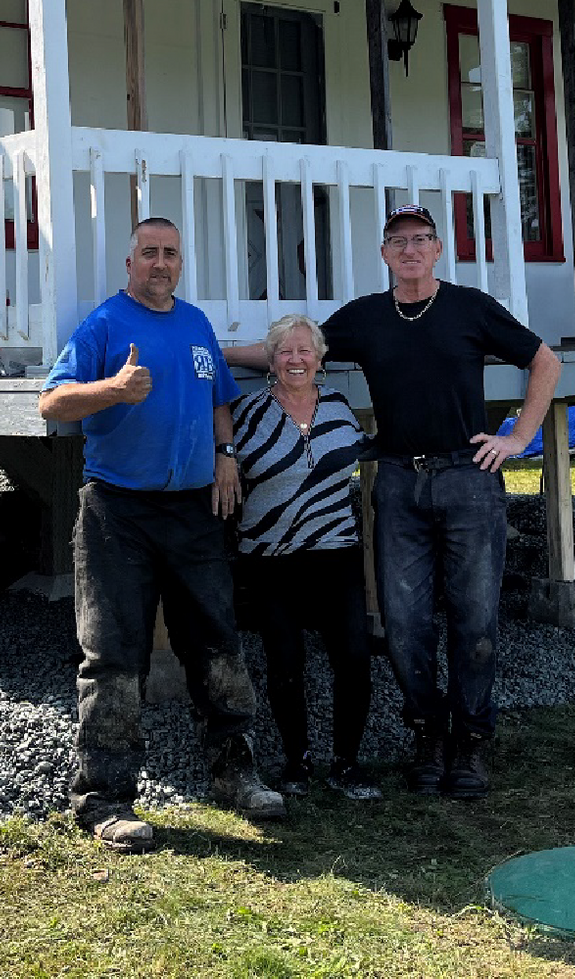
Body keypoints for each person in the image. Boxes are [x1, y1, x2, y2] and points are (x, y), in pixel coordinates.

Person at [226, 203, 560, 799]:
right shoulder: (366, 318)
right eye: (399, 241)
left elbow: (544, 361)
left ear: (436, 250)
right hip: (400, 482)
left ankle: (471, 744)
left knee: (475, 619)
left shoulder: (470, 308)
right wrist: (212, 352)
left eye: (422, 239)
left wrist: (518, 436)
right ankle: (427, 735)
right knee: (405, 625)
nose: (410, 250)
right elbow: (300, 349)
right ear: (384, 254)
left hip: (469, 476)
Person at [38, 218, 285, 854]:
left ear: (181, 262)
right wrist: (112, 390)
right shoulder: (104, 325)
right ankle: (105, 799)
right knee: (114, 653)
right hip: (118, 512)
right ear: (130, 262)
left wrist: (226, 451)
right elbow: (52, 403)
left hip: (193, 512)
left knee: (217, 644)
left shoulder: (197, 324)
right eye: (149, 252)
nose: (160, 263)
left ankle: (237, 776)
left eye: (170, 253)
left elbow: (220, 399)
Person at [229, 313, 380, 801]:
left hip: (336, 553)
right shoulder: (248, 411)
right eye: (285, 352)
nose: (296, 359)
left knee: (354, 658)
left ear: (320, 358)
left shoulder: (338, 405)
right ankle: (296, 762)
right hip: (272, 557)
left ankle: (346, 764)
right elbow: (224, 459)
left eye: (305, 350)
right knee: (285, 662)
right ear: (271, 361)